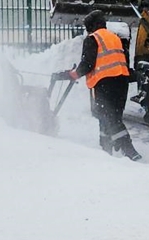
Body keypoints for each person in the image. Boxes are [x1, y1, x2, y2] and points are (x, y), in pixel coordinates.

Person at [60, 10, 141, 161]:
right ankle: (106, 148)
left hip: (104, 83)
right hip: (121, 82)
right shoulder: (115, 38)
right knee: (112, 116)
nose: (87, 31)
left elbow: (88, 64)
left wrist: (74, 74)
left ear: (92, 26)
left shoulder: (92, 38)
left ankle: (129, 151)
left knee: (109, 117)